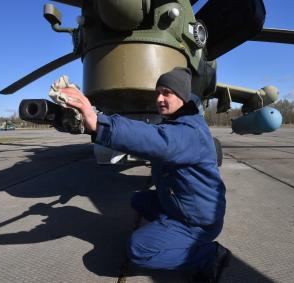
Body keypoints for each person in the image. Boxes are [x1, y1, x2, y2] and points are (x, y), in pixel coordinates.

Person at [60, 67, 230, 282]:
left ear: (182, 97)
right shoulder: (176, 123)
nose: (159, 98)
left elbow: (156, 140)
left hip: (199, 222)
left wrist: (97, 122)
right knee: (139, 199)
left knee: (139, 249)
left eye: (167, 93)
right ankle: (171, 231)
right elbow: (147, 134)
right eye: (157, 92)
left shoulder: (189, 133)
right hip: (186, 206)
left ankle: (209, 255)